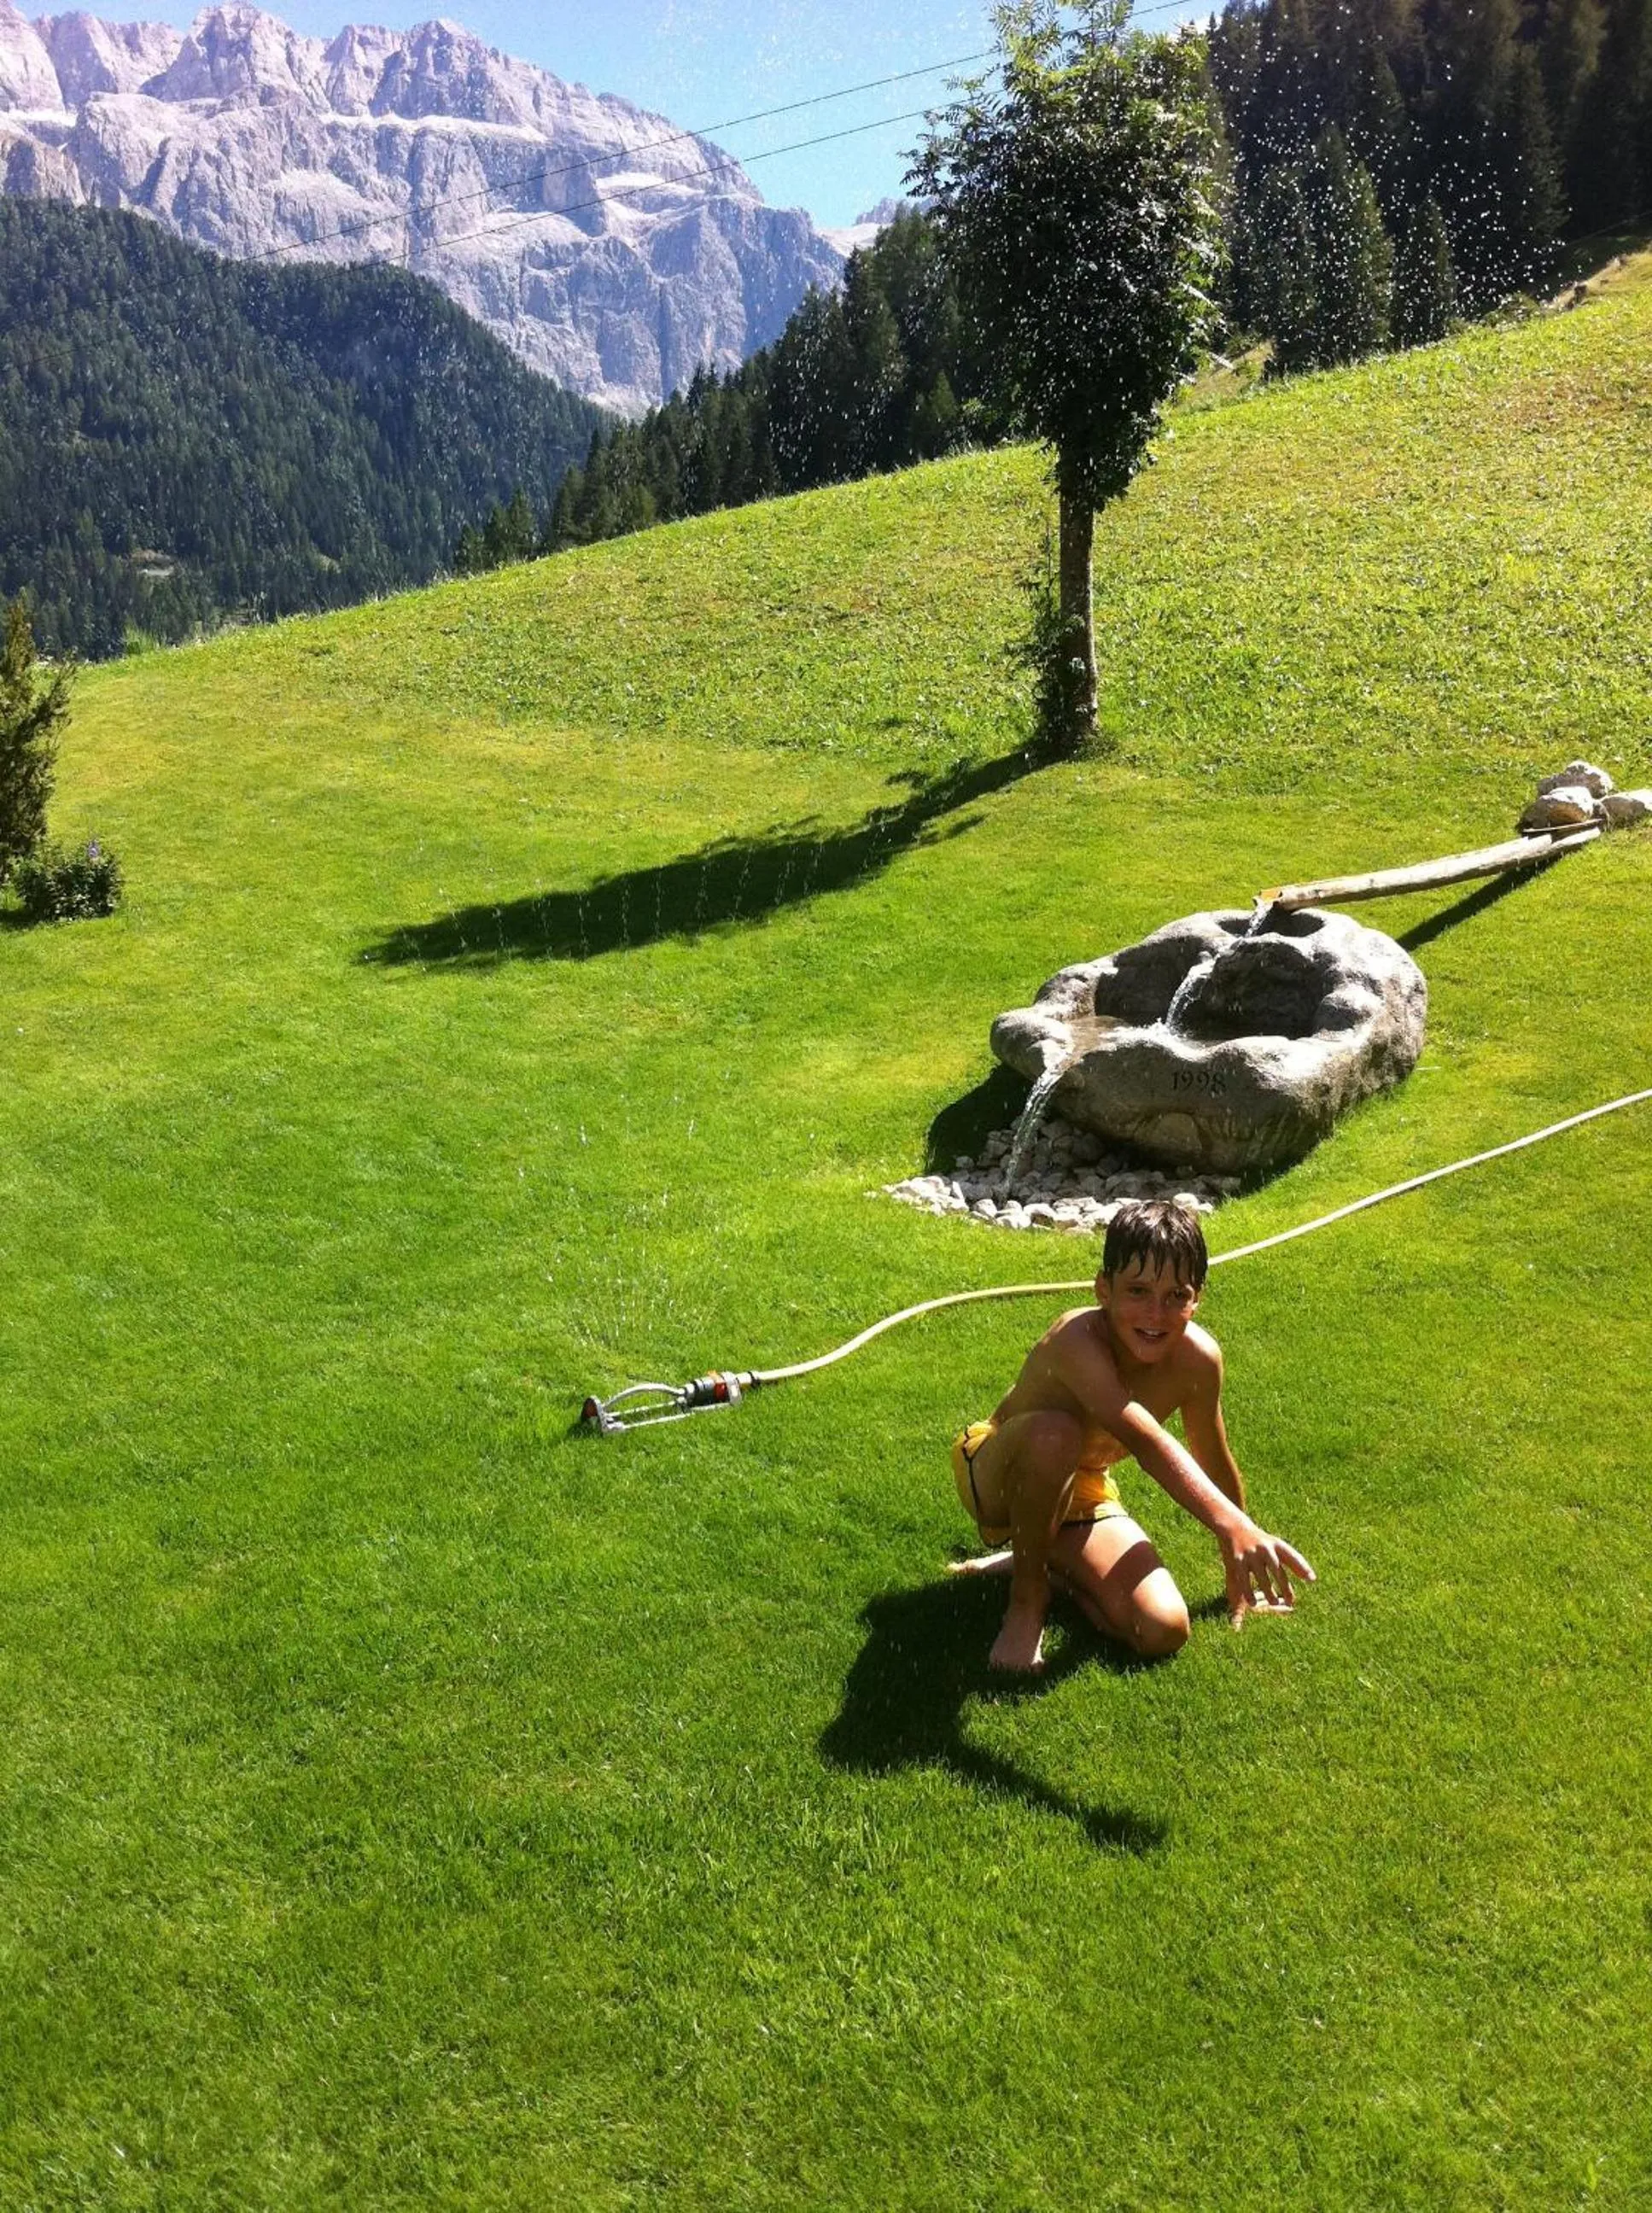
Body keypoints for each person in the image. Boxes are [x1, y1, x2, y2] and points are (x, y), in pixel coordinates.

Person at [949, 1198, 1315, 1672]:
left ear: (1197, 1297)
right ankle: (1028, 1600)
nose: (1156, 1315)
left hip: (1084, 1490)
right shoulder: (1075, 1339)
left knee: (1163, 1628)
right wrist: (1233, 1524)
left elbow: (1212, 1456)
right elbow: (1143, 1438)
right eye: (1138, 1291)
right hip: (997, 1471)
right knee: (1055, 1434)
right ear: (1104, 1289)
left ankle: (1049, 1562)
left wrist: (1236, 1562)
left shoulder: (1199, 1361)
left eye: (1176, 1296)